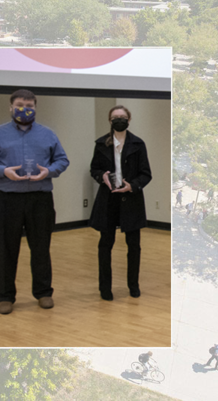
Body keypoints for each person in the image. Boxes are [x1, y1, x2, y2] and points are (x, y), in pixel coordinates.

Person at [0, 89, 69, 315]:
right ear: (10, 107)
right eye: (19, 105)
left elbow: (62, 160)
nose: (24, 109)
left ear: (36, 107)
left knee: (41, 249)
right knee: (5, 251)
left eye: (29, 105)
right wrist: (2, 171)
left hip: (40, 199)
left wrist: (48, 172)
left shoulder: (48, 134)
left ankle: (44, 293)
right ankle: (5, 296)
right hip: (6, 200)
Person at [88, 105, 152, 301]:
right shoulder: (101, 144)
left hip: (131, 199)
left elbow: (146, 174)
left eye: (123, 117)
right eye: (115, 117)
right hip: (108, 200)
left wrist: (132, 186)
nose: (119, 120)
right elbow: (94, 169)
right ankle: (104, 288)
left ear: (128, 120)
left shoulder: (138, 144)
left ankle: (133, 285)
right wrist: (102, 176)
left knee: (134, 246)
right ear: (110, 120)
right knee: (105, 244)